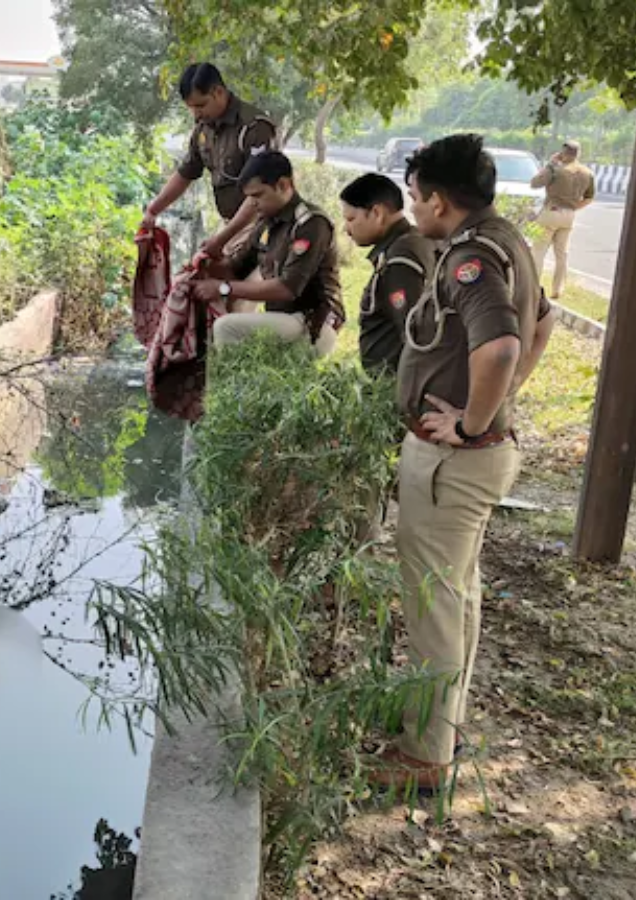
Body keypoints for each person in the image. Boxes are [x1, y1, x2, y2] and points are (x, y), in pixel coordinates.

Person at [373, 134, 555, 793]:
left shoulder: (470, 259)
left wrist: (472, 422)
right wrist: (499, 407)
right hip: (477, 457)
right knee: (458, 597)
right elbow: (544, 323)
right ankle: (439, 726)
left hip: (454, 461)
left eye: (416, 198)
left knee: (434, 606)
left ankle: (425, 758)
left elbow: (504, 346)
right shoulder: (509, 239)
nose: (413, 210)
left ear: (440, 201)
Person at [190, 152, 344, 356]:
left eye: (257, 195)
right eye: (249, 197)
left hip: (312, 323)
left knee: (226, 328)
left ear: (283, 185)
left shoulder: (310, 224)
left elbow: (287, 289)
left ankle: (230, 386)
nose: (252, 204)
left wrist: (222, 288)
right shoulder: (266, 223)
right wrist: (209, 263)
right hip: (285, 319)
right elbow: (235, 269)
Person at [141, 63, 277, 259]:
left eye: (200, 105)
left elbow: (259, 195)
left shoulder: (253, 128)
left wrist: (221, 240)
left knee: (213, 282)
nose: (196, 114)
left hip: (260, 225)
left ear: (218, 92)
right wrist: (153, 210)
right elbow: (186, 173)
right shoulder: (203, 129)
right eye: (190, 108)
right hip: (231, 225)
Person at [340, 173, 436, 373]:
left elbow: (413, 333)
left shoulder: (399, 260)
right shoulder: (415, 240)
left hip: (394, 382)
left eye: (351, 219)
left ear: (377, 213)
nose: (346, 229)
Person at [529, 139, 596, 299]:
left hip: (551, 211)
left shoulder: (556, 169)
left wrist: (551, 164)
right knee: (562, 254)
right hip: (570, 215)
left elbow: (534, 183)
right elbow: (589, 198)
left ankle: (533, 287)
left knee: (538, 251)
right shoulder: (587, 173)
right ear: (578, 154)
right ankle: (557, 289)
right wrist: (573, 207)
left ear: (563, 153)